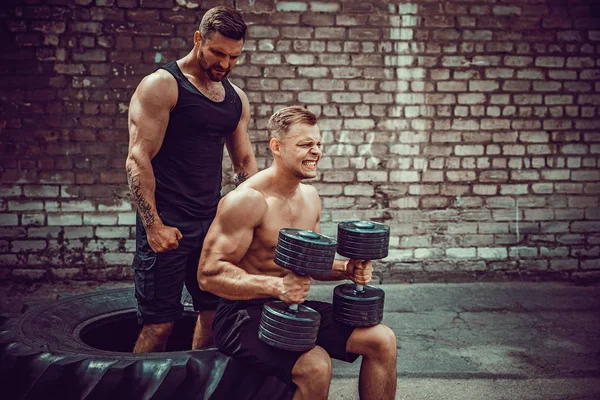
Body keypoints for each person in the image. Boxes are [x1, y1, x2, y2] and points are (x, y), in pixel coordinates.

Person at [197, 106, 397, 399]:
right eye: (305, 144)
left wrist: (345, 269)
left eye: (318, 144)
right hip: (241, 314)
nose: (316, 151)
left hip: (291, 309)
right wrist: (276, 286)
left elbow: (310, 263)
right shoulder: (247, 201)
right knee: (316, 365)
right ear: (276, 147)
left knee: (382, 339)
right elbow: (208, 274)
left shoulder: (310, 197)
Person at [125, 6, 257, 353]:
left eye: (234, 57)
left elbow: (244, 163)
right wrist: (153, 226)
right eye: (217, 52)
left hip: (212, 225)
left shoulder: (235, 99)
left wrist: (256, 220)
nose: (225, 64)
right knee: (159, 326)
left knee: (214, 316)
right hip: (167, 223)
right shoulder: (162, 86)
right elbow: (138, 158)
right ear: (198, 39)